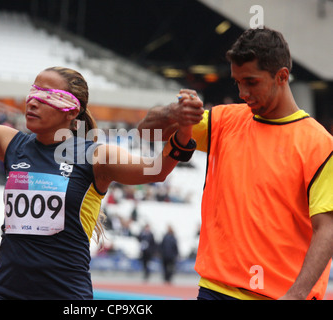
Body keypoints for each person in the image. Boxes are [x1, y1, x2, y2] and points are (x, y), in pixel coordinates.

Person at [0, 6, 202, 300]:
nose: (33, 100)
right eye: (33, 91)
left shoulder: (95, 156)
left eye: (47, 95)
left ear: (72, 110)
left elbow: (156, 169)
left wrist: (184, 132)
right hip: (4, 291)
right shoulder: (11, 143)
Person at [138, 27, 333, 300]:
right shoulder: (223, 120)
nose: (242, 92)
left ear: (282, 76)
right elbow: (145, 133)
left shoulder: (320, 144)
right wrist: (173, 112)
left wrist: (297, 295)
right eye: (237, 82)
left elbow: (327, 228)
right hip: (215, 290)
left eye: (251, 82)